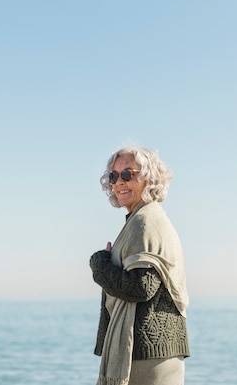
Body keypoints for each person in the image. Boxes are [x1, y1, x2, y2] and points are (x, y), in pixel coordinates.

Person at [89, 146, 190, 385]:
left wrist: (100, 265)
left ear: (149, 178)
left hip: (146, 354)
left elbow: (141, 288)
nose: (119, 182)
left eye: (128, 174)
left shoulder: (145, 220)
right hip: (153, 351)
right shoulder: (143, 218)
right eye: (113, 176)